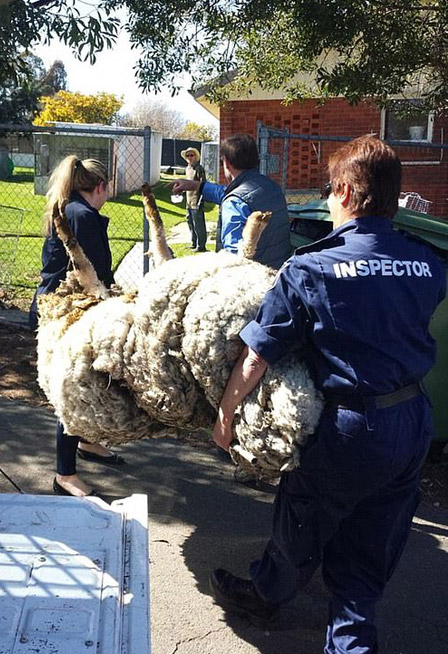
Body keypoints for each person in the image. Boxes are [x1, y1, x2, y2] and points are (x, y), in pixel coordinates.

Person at [209, 135, 446, 653]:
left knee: (302, 518)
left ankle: (267, 594)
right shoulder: (427, 261)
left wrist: (225, 418)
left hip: (349, 430)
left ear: (344, 192)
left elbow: (257, 356)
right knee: (373, 539)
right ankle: (352, 630)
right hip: (412, 423)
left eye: (330, 190)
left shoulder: (311, 267)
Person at [29, 155, 126, 497]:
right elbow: (94, 270)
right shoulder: (82, 216)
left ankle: (87, 441)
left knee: (88, 382)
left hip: (63, 305)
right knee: (74, 389)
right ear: (99, 187)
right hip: (68, 313)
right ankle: (65, 475)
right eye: (108, 188)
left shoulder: (71, 208)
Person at [173, 133, 290, 269]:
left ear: (227, 163)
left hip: (254, 278)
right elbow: (231, 194)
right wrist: (195, 185)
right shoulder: (271, 187)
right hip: (281, 271)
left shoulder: (234, 203)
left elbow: (233, 258)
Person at [181, 147, 207, 251]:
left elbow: (203, 184)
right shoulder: (187, 169)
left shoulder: (199, 168)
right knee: (190, 223)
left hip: (197, 200)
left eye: (192, 155)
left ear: (196, 157)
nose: (189, 157)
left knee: (198, 224)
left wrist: (201, 200)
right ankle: (194, 243)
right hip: (188, 201)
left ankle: (201, 246)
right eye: (187, 155)